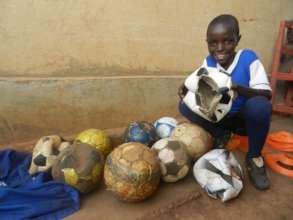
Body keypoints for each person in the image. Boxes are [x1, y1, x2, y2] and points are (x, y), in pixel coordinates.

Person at [178, 14, 272, 190]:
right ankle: (221, 135)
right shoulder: (208, 62)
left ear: (238, 40)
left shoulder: (248, 58)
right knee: (184, 105)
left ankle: (254, 157)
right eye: (213, 43)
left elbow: (266, 94)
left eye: (227, 41)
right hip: (220, 118)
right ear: (207, 42)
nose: (219, 48)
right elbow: (198, 86)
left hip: (245, 120)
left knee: (260, 105)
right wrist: (185, 88)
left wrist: (236, 87)